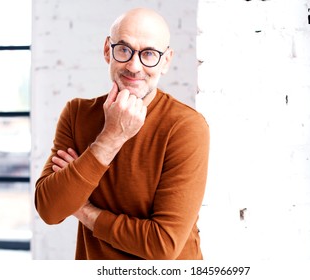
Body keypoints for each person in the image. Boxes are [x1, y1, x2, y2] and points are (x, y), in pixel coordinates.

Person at [34, 7, 210, 260]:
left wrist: (83, 210)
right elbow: (50, 210)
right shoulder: (77, 114)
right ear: (108, 50)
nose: (134, 66)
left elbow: (162, 246)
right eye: (124, 49)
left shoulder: (185, 127)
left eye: (149, 53)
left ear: (166, 61)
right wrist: (111, 137)